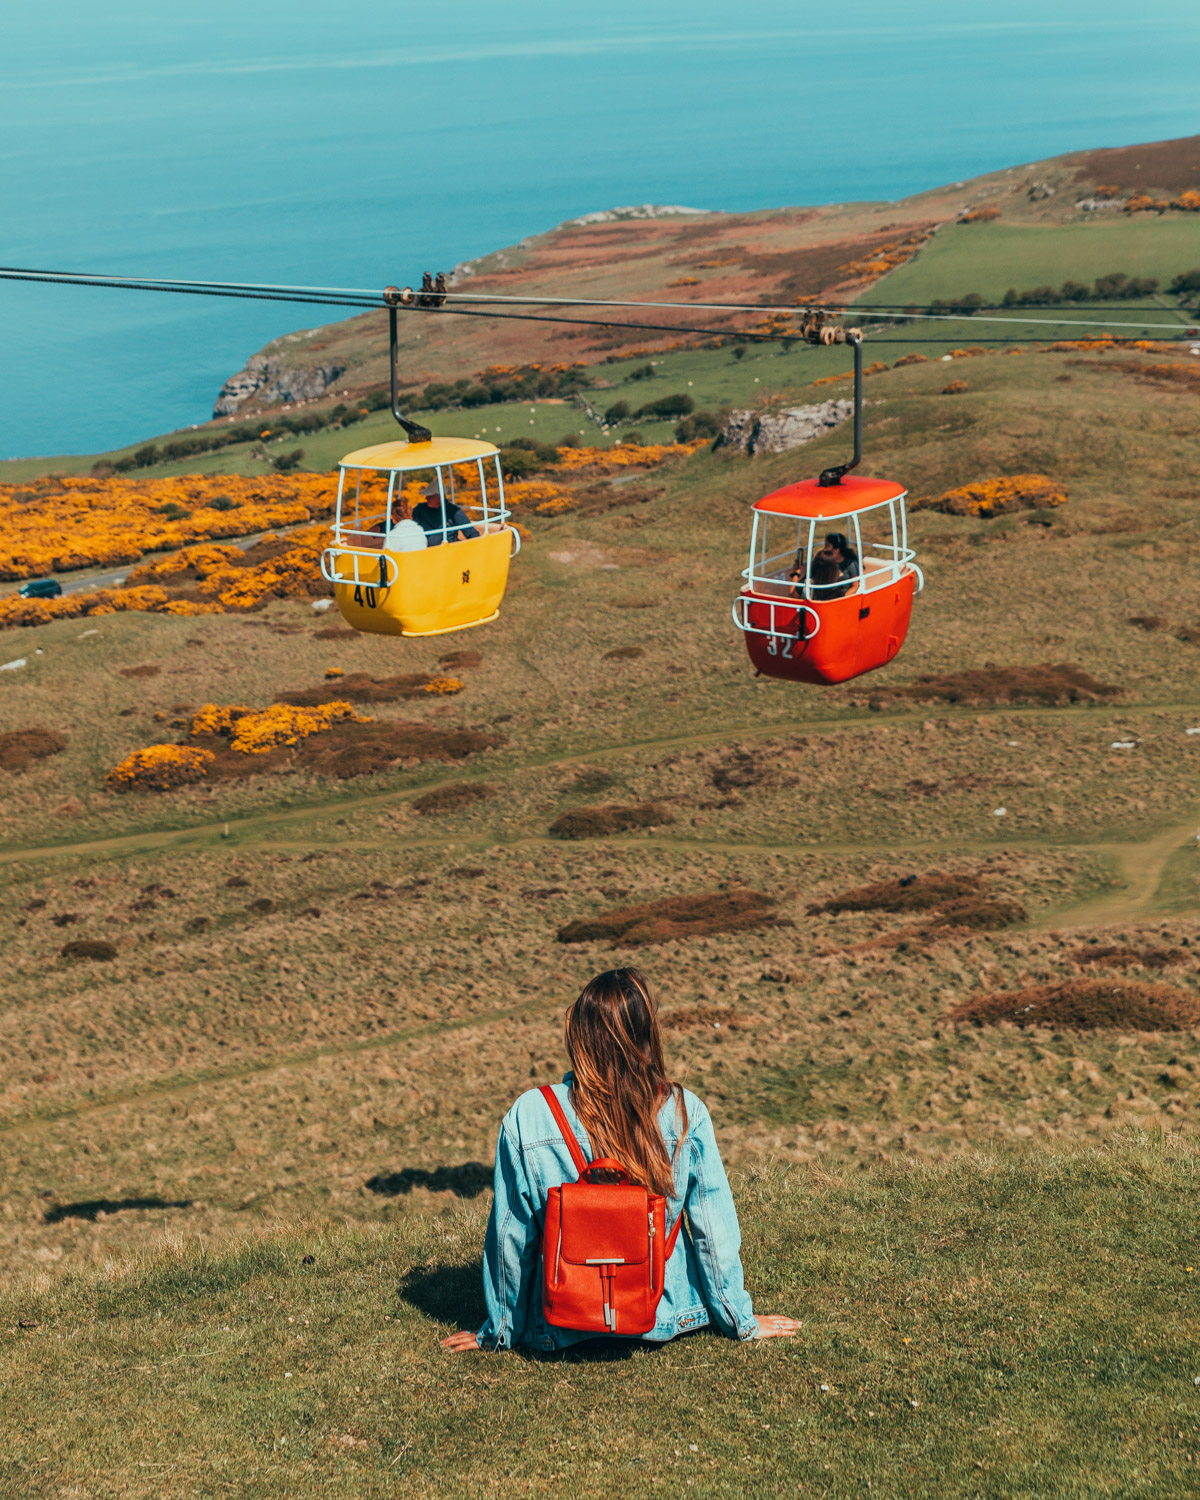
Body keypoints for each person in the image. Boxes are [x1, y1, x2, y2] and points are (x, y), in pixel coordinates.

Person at [441, 967, 800, 1353]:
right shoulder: (683, 1111)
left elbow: (510, 1239)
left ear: (578, 1035)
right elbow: (713, 1232)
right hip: (665, 1311)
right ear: (647, 1035)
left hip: (560, 1318)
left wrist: (500, 1331)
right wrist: (738, 1319)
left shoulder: (530, 1115)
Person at [410, 480, 480, 546]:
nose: (426, 498)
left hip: (447, 552)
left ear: (440, 496)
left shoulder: (454, 511)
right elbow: (409, 526)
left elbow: (472, 534)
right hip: (424, 551)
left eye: (430, 496)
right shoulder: (420, 509)